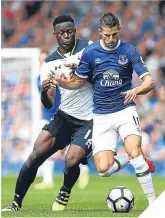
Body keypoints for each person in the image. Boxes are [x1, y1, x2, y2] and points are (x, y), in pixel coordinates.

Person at [51, 13, 156, 206]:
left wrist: (137, 90)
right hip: (101, 116)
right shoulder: (91, 53)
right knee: (104, 169)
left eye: (114, 35)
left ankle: (153, 203)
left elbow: (149, 82)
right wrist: (62, 83)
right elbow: (78, 82)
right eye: (106, 35)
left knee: (134, 150)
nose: (110, 39)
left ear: (119, 31)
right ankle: (134, 158)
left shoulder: (129, 50)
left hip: (125, 111)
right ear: (100, 32)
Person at [34, 49, 61, 190]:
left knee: (63, 146)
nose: (42, 61)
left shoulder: (54, 73)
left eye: (45, 59)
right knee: (44, 147)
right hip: (46, 116)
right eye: (41, 59)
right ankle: (47, 178)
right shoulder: (38, 77)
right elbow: (42, 98)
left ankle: (82, 169)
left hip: (59, 114)